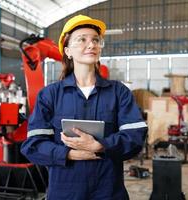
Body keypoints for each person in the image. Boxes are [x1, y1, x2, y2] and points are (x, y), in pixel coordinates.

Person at [21, 14, 148, 200]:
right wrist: (69, 154)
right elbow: (33, 145)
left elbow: (135, 137)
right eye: (82, 39)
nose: (91, 45)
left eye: (95, 40)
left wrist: (100, 145)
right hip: (65, 192)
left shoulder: (118, 92)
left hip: (108, 191)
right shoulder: (50, 95)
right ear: (67, 51)